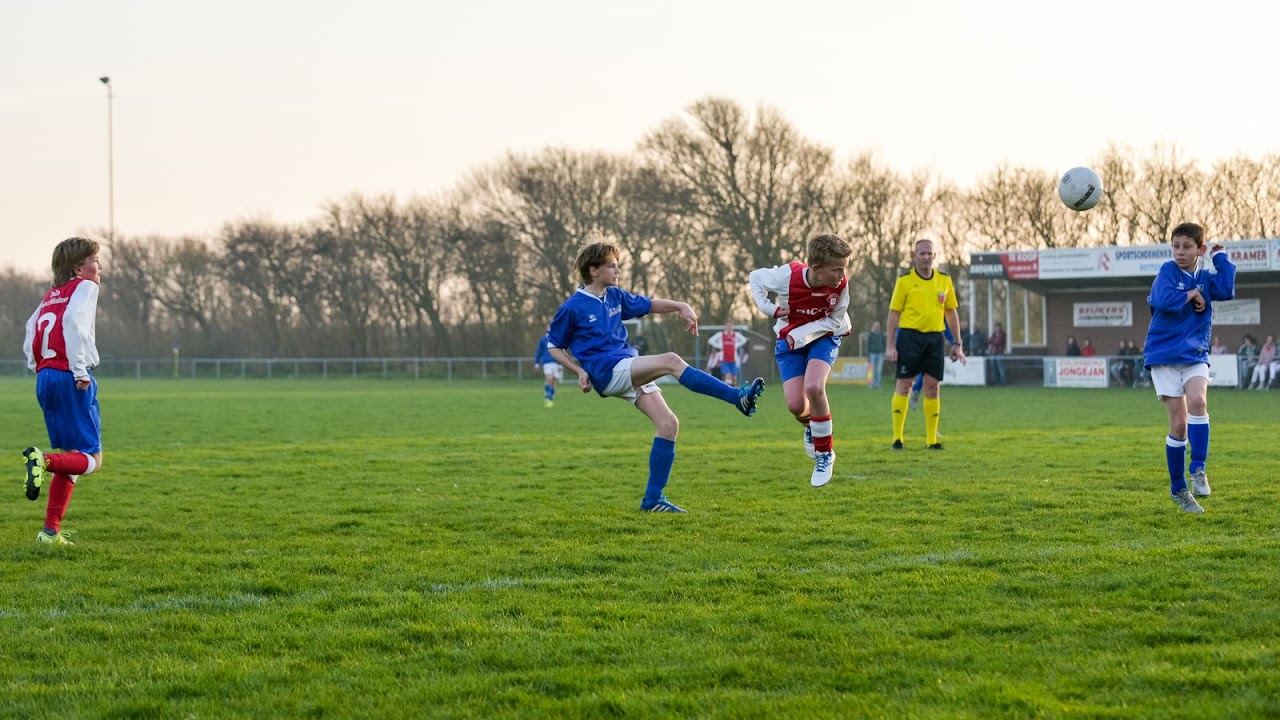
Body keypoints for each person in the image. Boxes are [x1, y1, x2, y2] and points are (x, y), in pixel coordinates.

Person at [547, 239, 765, 513]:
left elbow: (649, 305)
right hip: (606, 371)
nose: (618, 271)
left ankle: (652, 500)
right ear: (593, 270)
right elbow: (554, 345)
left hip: (627, 365)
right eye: (612, 266)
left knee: (669, 424)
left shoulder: (615, 296)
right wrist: (579, 371)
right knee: (672, 361)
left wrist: (681, 305)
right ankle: (737, 397)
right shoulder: (572, 307)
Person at [1143, 222, 1236, 514]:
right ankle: (1178, 489)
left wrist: (1220, 259)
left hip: (1194, 352)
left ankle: (1198, 469)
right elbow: (1162, 300)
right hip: (1163, 355)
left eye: (1186, 246)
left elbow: (1226, 289)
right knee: (1179, 425)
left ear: (1200, 250)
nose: (1180, 252)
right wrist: (1192, 295)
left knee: (1198, 400)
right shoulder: (1168, 271)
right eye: (1176, 246)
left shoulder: (1206, 278)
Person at [750, 232, 853, 487]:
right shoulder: (787, 277)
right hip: (789, 342)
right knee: (796, 405)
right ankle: (811, 425)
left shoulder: (841, 285)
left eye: (844, 268)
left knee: (814, 388)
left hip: (824, 336)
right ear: (816, 269)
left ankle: (824, 454)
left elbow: (835, 320)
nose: (842, 275)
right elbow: (755, 278)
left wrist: (802, 334)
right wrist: (770, 309)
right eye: (837, 269)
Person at [21, 237, 105, 546]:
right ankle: (43, 461)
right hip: (70, 376)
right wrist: (79, 369)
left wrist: (38, 364)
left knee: (72, 457)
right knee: (92, 460)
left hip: (46, 376)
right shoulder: (85, 288)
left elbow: (31, 328)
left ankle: (50, 531)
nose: (100, 267)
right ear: (78, 267)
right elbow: (72, 322)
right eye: (96, 260)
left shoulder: (50, 295)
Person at [885, 239, 965, 451]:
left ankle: (932, 441)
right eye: (922, 253)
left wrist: (957, 343)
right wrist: (890, 345)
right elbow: (894, 315)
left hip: (934, 339)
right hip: (909, 337)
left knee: (932, 387)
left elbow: (951, 312)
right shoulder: (904, 281)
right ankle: (897, 438)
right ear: (914, 256)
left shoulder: (944, 280)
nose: (926, 257)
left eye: (929, 253)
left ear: (935, 256)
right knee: (904, 385)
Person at [908, 324, 954, 411]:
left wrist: (954, 342)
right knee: (920, 370)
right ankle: (915, 389)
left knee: (929, 372)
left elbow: (945, 324)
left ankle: (916, 389)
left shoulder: (940, 313)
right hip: (914, 340)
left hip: (934, 342)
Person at [706, 321, 748, 386]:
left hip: (733, 359)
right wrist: (719, 346)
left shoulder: (736, 335)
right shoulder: (720, 334)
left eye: (730, 326)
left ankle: (733, 390)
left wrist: (736, 345)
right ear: (725, 326)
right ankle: (728, 390)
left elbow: (744, 340)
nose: (729, 327)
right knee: (728, 376)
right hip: (724, 359)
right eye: (728, 325)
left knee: (734, 378)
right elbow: (710, 341)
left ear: (732, 327)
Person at [533, 326, 562, 408]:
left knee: (553, 381)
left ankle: (551, 397)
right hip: (546, 363)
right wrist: (537, 363)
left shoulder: (557, 340)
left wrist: (560, 364)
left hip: (555, 363)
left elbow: (560, 352)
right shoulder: (543, 340)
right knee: (549, 378)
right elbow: (539, 351)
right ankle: (547, 397)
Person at [866, 321, 887, 389]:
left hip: (880, 354)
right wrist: (868, 354)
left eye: (878, 325)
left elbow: (884, 343)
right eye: (875, 325)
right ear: (873, 326)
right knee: (871, 370)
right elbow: (868, 345)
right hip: (872, 354)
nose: (877, 327)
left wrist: (884, 351)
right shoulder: (870, 334)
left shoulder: (882, 334)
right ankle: (870, 384)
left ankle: (878, 384)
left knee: (878, 370)